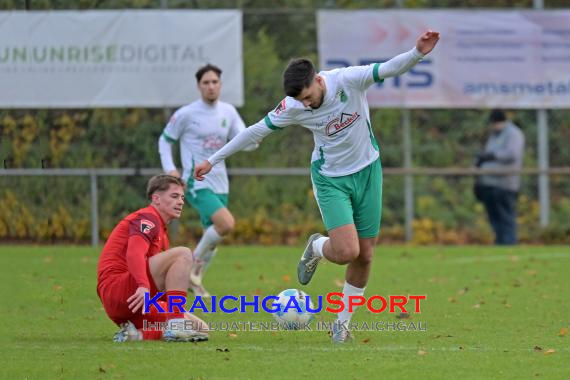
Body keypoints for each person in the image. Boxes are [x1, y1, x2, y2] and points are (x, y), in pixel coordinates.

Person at [194, 31, 440, 343]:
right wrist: (213, 160)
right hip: (330, 178)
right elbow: (254, 132)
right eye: (300, 101)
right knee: (347, 251)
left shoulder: (347, 80)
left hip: (368, 170)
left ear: (318, 81)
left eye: (308, 97)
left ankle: (342, 326)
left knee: (365, 255)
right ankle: (317, 247)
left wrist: (417, 53)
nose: (306, 105)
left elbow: (389, 68)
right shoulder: (294, 106)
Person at [158, 64, 257, 298]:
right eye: (206, 83)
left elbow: (243, 138)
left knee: (211, 237)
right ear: (199, 86)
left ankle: (193, 281)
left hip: (221, 182)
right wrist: (170, 169)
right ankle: (189, 272)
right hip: (196, 182)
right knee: (226, 224)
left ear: (220, 85)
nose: (211, 87)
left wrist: (254, 142)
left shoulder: (228, 112)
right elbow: (164, 141)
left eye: (215, 82)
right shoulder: (186, 114)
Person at [97, 174, 209, 342]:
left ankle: (136, 335)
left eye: (182, 197)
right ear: (156, 198)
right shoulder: (148, 218)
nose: (181, 202)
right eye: (174, 196)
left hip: (133, 302)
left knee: (201, 329)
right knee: (184, 253)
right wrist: (143, 285)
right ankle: (175, 326)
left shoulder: (162, 233)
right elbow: (134, 253)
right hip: (121, 290)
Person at [474, 109, 525, 245]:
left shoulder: (514, 134)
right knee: (494, 217)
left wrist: (492, 155)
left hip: (505, 184)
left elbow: (512, 154)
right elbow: (486, 153)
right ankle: (500, 242)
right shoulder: (494, 135)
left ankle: (509, 243)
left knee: (506, 216)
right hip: (489, 183)